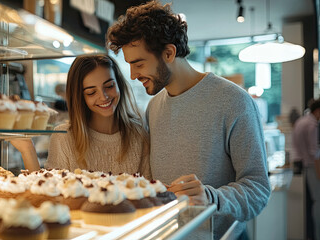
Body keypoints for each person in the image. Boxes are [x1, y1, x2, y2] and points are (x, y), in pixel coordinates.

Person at [106, 1, 270, 239]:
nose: (132, 75)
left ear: (169, 53)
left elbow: (258, 189)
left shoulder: (234, 101)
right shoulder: (154, 108)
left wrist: (211, 197)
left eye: (138, 63)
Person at [12, 54, 151, 178]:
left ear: (119, 84)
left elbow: (152, 193)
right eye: (91, 92)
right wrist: (28, 150)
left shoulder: (139, 134)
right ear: (79, 97)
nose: (104, 97)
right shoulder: (64, 136)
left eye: (109, 86)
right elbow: (50, 194)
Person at [292, 98, 320, 240]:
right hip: (311, 166)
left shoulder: (301, 121)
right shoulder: (312, 124)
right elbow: (313, 152)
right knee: (318, 201)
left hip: (303, 164)